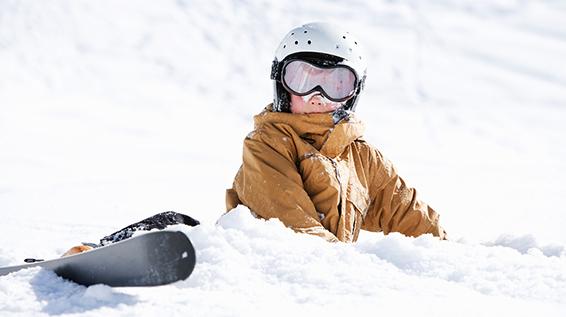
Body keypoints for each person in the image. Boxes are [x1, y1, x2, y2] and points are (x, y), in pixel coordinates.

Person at [225, 22, 447, 243]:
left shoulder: (362, 158)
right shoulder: (268, 144)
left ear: (352, 94)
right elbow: (297, 233)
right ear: (282, 86)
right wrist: (350, 267)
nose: (318, 96)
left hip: (327, 273)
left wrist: (450, 258)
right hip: (273, 272)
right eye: (302, 80)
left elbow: (411, 217)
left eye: (335, 84)